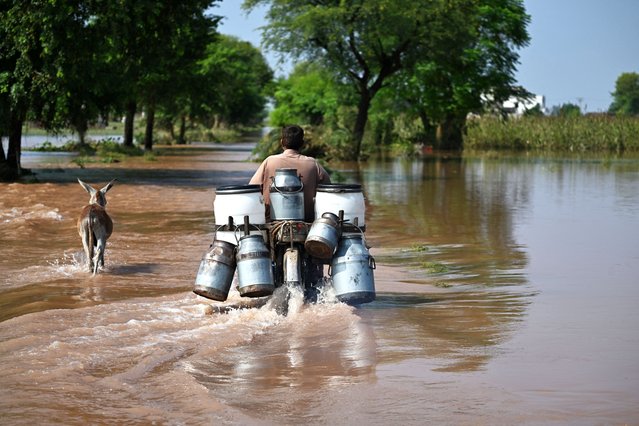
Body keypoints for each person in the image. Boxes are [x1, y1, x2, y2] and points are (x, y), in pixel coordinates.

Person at [249, 125, 331, 222]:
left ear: (282, 142)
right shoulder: (313, 164)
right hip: (306, 222)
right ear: (302, 143)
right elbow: (328, 190)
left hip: (271, 221)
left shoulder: (269, 161)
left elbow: (252, 188)